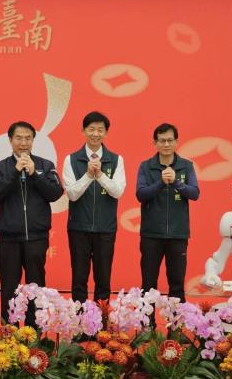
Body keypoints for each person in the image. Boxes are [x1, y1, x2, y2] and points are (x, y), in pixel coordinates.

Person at [0, 121, 64, 327]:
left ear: (33, 141)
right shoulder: (0, 167)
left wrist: (35, 174)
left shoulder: (45, 166)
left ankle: (34, 332)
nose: (23, 143)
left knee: (36, 287)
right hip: (9, 239)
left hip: (36, 238)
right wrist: (14, 172)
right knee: (9, 287)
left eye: (28, 138)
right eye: (19, 138)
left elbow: (55, 193)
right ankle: (9, 334)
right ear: (10, 140)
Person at [62, 111, 126, 303]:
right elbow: (72, 194)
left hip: (105, 228)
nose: (95, 134)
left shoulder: (116, 160)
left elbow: (118, 191)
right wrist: (88, 175)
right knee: (79, 279)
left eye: (100, 130)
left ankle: (101, 319)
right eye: (91, 129)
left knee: (103, 279)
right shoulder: (71, 159)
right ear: (83, 131)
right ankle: (78, 319)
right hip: (78, 228)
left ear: (106, 132)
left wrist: (100, 175)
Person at [136, 123, 199, 302]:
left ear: (176, 142)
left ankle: (176, 321)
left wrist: (177, 182)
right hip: (151, 235)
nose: (166, 144)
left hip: (178, 234)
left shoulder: (186, 166)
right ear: (155, 143)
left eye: (170, 140)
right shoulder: (146, 166)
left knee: (177, 284)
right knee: (148, 284)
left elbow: (194, 193)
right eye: (162, 141)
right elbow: (141, 194)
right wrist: (161, 183)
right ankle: (146, 320)